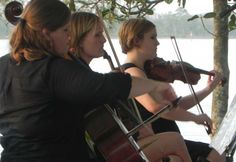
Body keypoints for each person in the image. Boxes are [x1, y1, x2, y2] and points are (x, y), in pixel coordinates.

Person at [0, 1, 177, 162]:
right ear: (46, 33)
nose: (70, 37)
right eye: (65, 30)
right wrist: (156, 85)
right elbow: (107, 86)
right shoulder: (53, 68)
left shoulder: (3, 64)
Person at [68, 11, 193, 162]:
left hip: (109, 147)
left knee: (174, 158)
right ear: (80, 39)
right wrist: (155, 86)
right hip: (99, 154)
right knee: (175, 140)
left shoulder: (83, 73)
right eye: (97, 35)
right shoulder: (81, 77)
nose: (104, 40)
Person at [118, 18, 226, 162]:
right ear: (136, 40)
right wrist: (196, 118)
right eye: (152, 37)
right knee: (215, 155)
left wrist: (209, 88)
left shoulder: (145, 71)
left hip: (169, 139)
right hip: (161, 142)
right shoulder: (133, 73)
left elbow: (175, 107)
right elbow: (159, 109)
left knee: (216, 154)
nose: (157, 42)